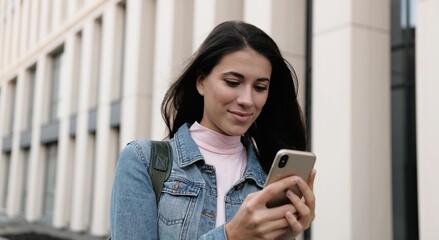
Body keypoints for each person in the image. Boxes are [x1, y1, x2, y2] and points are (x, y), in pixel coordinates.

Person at [110, 20, 316, 240]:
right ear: (201, 81)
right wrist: (231, 235)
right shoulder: (142, 161)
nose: (247, 100)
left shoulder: (267, 179)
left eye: (260, 87)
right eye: (232, 82)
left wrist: (287, 235)